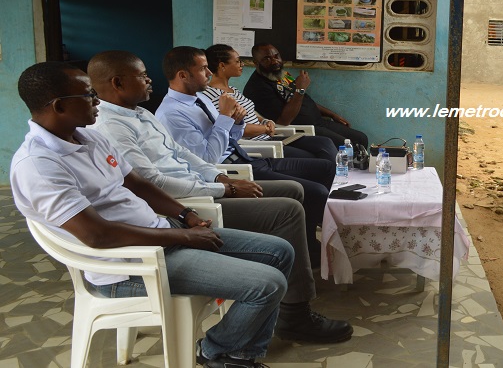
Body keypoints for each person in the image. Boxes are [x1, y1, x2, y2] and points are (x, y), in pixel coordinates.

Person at [11, 61, 293, 368]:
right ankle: (215, 351)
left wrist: (185, 215)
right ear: (59, 106)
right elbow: (97, 235)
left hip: (161, 235)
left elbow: (137, 184)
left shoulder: (88, 136)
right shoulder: (39, 165)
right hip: (130, 265)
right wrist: (182, 235)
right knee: (267, 284)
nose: (96, 101)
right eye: (88, 95)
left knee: (280, 252)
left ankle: (236, 353)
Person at [87, 50, 353, 342]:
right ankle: (295, 314)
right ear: (117, 82)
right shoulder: (116, 125)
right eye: (142, 75)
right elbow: (154, 182)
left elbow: (183, 154)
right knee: (288, 209)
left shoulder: (140, 113)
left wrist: (220, 176)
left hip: (206, 181)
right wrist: (224, 187)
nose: (150, 80)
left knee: (295, 190)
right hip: (185, 202)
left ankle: (298, 275)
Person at [154, 46, 333, 259]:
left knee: (325, 166)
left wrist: (236, 122)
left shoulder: (198, 99)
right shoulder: (172, 114)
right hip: (233, 169)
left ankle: (311, 232)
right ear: (183, 75)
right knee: (315, 192)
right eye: (203, 69)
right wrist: (226, 119)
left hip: (246, 157)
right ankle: (310, 247)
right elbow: (207, 159)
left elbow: (231, 136)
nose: (209, 73)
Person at [202, 44, 336, 161]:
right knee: (314, 157)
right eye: (237, 62)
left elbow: (250, 114)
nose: (242, 65)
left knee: (325, 144)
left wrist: (265, 121)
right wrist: (265, 129)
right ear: (222, 65)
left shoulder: (233, 90)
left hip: (269, 136)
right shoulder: (215, 95)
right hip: (258, 144)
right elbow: (235, 128)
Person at [243, 43, 368, 149]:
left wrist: (331, 114)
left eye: (276, 56)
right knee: (350, 147)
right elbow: (283, 121)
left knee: (361, 138)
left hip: (319, 121)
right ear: (256, 62)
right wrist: (300, 88)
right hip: (304, 129)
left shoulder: (279, 74)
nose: (274, 61)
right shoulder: (258, 88)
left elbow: (303, 100)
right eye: (267, 59)